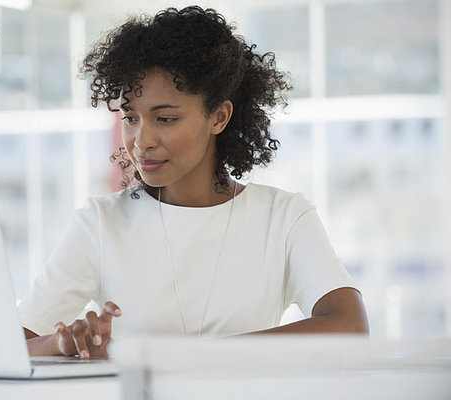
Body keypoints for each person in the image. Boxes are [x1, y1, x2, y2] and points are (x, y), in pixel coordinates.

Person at [19, 6, 369, 360]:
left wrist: (182, 359)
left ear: (219, 117)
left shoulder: (283, 217)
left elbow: (349, 326)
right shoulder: (101, 222)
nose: (142, 141)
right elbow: (7, 346)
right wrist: (59, 343)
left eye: (166, 118)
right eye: (131, 118)